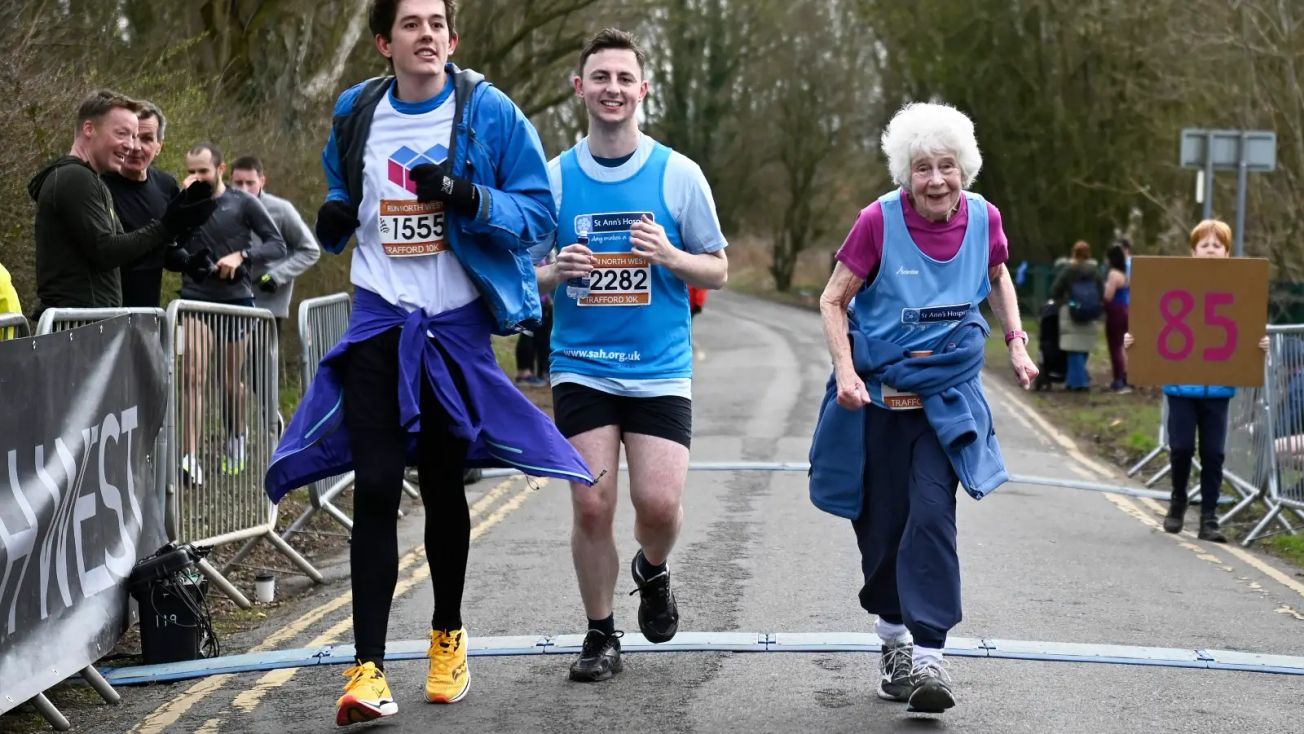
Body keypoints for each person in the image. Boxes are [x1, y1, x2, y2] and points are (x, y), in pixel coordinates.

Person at [261, 0, 592, 725]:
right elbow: (344, 189)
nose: (427, 35)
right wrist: (334, 213)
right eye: (411, 24)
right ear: (384, 42)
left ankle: (447, 637)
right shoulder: (357, 111)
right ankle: (367, 670)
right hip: (380, 320)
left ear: (453, 36)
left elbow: (538, 213)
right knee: (376, 486)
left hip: (454, 326)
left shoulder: (488, 111)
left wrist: (468, 196)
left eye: (436, 23)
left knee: (443, 485)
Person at [811, 101, 1037, 714]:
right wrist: (846, 372)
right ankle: (893, 641)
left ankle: (931, 657)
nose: (936, 180)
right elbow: (833, 300)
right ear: (905, 174)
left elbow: (997, 275)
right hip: (880, 398)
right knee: (882, 529)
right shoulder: (877, 222)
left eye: (946, 166)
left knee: (933, 514)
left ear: (964, 168)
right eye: (922, 169)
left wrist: (1016, 342)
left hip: (945, 397)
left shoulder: (985, 218)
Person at [533, 28, 728, 683]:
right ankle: (600, 634)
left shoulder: (678, 174)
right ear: (579, 87)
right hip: (582, 364)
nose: (611, 88)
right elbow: (520, 273)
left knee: (660, 507)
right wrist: (554, 272)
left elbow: (719, 267)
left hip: (659, 368)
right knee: (592, 505)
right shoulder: (554, 179)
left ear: (643, 89)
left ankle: (653, 568)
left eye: (623, 78)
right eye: (600, 77)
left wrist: (670, 256)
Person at [1124, 219, 1269, 543]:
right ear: (1193, 251)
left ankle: (1209, 517)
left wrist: (1260, 344)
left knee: (1214, 454)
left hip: (1218, 389)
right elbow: (1153, 322)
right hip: (1181, 386)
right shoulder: (1175, 283)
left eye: (1218, 245)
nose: (1211, 250)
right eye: (1205, 245)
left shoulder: (1238, 288)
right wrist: (1135, 342)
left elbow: (1247, 328)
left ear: (1227, 253)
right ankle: (1178, 500)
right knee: (1181, 448)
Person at [28, 89, 214, 317]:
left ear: (160, 145)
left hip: (99, 321)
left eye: (135, 136)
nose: (131, 145)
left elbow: (127, 248)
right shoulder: (75, 177)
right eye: (122, 134)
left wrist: (183, 255)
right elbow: (106, 250)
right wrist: (166, 227)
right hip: (78, 324)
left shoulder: (90, 179)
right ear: (89, 129)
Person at [175, 142, 287, 485]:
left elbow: (277, 244)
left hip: (235, 301)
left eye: (203, 171)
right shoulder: (182, 203)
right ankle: (189, 459)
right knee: (192, 376)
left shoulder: (243, 202)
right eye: (191, 171)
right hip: (195, 299)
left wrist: (242, 255)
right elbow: (168, 243)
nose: (196, 178)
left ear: (220, 170)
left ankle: (237, 437)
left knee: (229, 383)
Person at [101, 99, 180, 308]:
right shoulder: (98, 184)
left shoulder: (167, 186)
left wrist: (187, 260)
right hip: (105, 312)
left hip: (148, 311)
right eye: (130, 136)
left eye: (146, 138)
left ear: (159, 146)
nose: (135, 147)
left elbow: (167, 248)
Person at [230, 155, 322, 328]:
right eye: (238, 183)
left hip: (266, 306)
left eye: (250, 183)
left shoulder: (281, 210)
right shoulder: (221, 207)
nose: (244, 189)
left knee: (261, 348)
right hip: (227, 303)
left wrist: (276, 276)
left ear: (262, 181)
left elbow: (310, 250)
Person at [1049, 240, 1103, 391]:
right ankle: (1077, 378)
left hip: (1071, 311)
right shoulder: (1094, 271)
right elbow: (1101, 291)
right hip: (1090, 311)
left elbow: (1055, 290)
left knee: (1073, 348)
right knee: (1084, 347)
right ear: (1088, 253)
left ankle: (1077, 382)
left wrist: (1064, 303)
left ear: (1074, 253)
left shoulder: (1069, 270)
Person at [1102, 241, 1130, 393]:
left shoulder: (1113, 274)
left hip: (1115, 313)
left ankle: (1118, 378)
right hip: (1125, 310)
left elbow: (1108, 295)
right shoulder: (1124, 275)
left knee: (1115, 346)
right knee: (1124, 346)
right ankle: (1126, 376)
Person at [513, 290, 551, 387]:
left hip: (542, 300)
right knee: (527, 334)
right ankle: (524, 372)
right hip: (529, 300)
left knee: (544, 338)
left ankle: (543, 372)